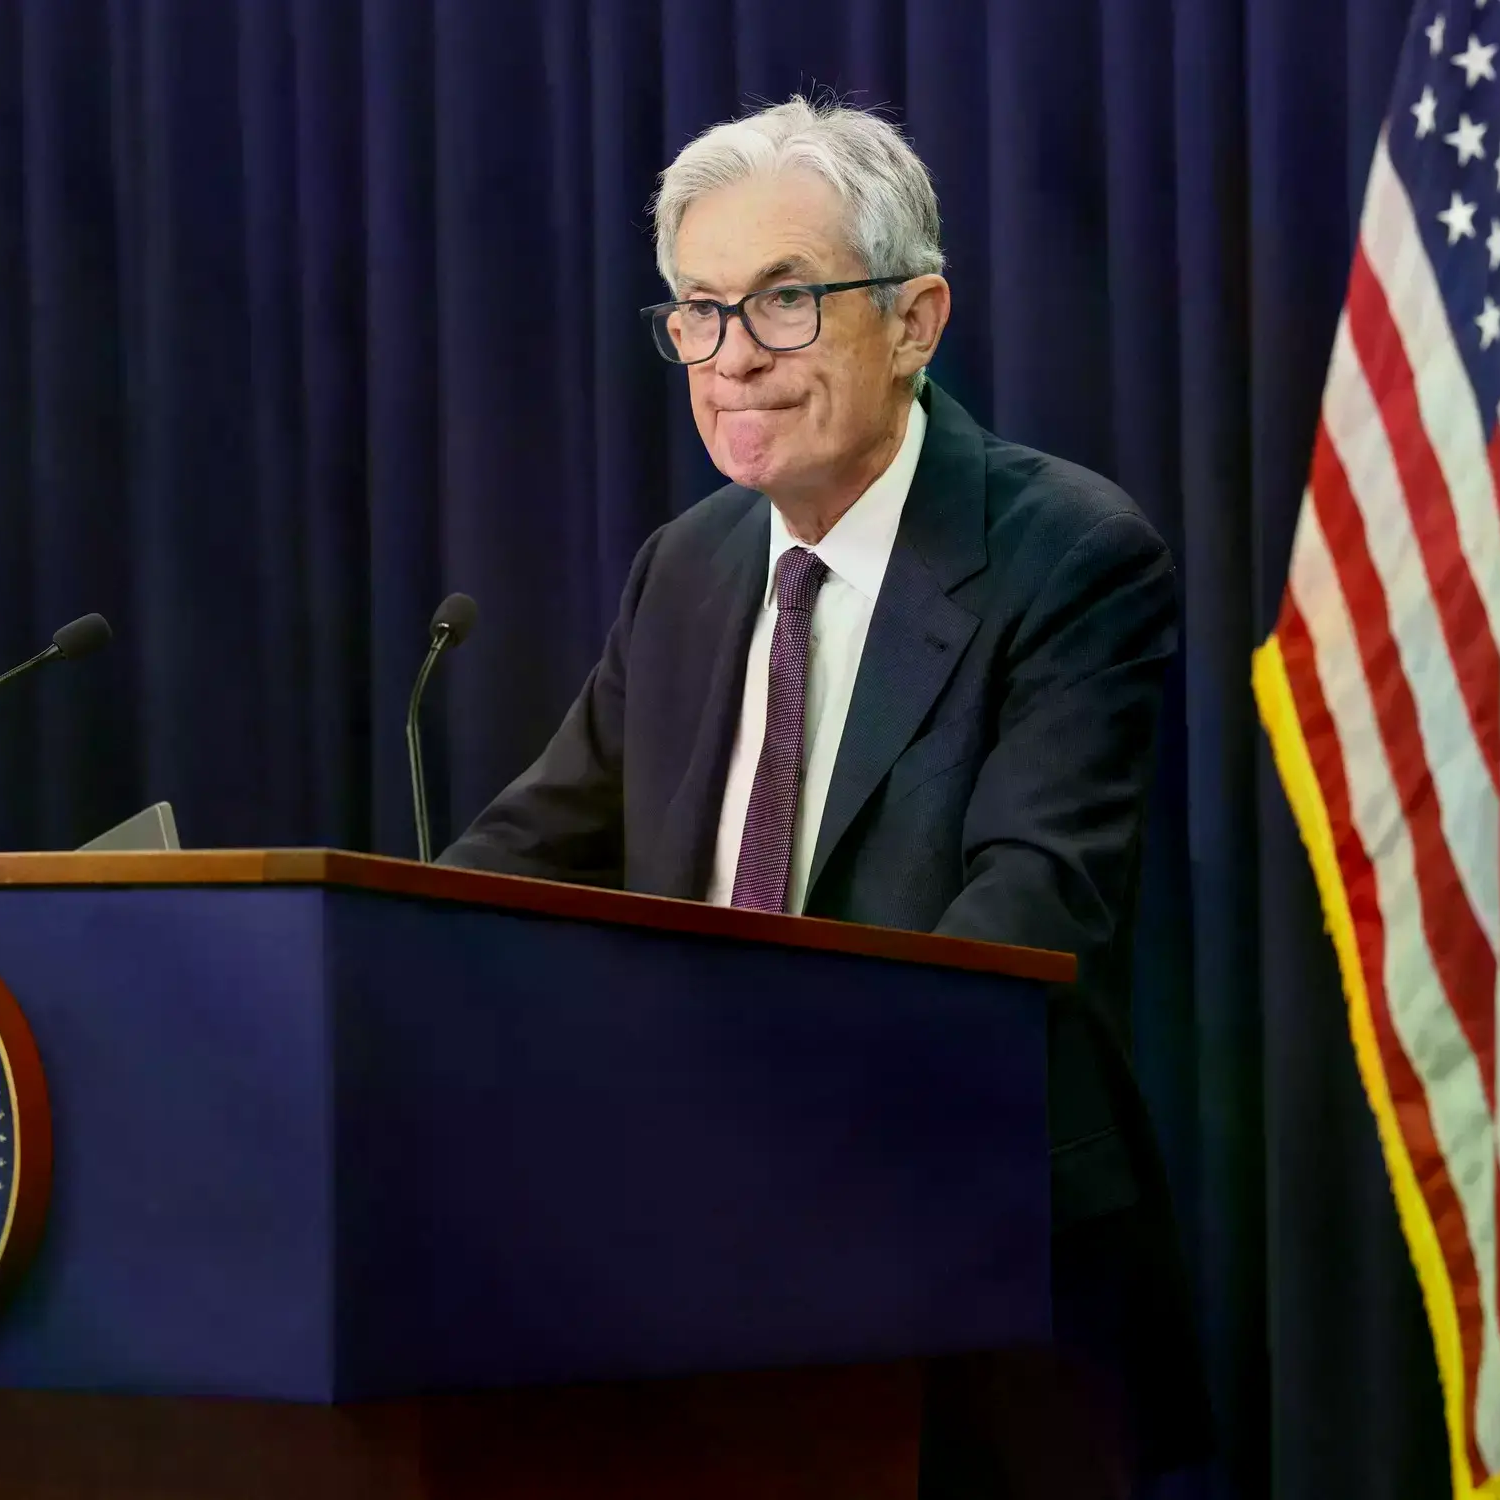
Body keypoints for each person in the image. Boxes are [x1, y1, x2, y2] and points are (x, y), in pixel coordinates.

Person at [440, 95, 1205, 1499]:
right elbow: (527, 859)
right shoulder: (689, 567)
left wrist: (737, 1114)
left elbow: (1023, 925)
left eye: (787, 304)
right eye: (699, 311)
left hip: (981, 1293)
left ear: (915, 322)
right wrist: (380, 972)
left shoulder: (1071, 559)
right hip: (696, 1290)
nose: (733, 360)